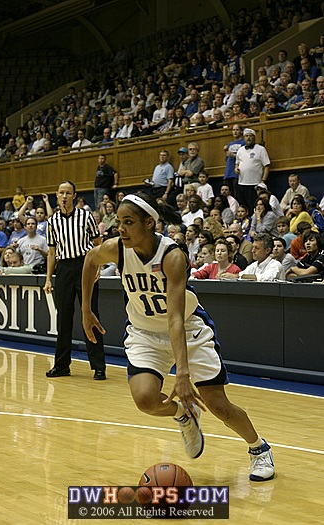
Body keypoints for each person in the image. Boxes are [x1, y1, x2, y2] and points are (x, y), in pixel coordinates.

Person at [81, 192, 275, 482]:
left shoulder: (172, 256)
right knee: (145, 399)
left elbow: (174, 318)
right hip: (145, 332)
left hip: (186, 329)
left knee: (218, 405)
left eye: (128, 222)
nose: (120, 229)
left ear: (149, 223)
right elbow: (89, 260)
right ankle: (183, 415)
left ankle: (259, 449)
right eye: (119, 222)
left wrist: (182, 374)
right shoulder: (117, 248)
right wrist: (85, 308)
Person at [44, 180, 106, 380]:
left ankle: (99, 366)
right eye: (61, 192)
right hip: (63, 270)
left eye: (68, 193)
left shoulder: (86, 216)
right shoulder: (52, 222)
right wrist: (48, 279)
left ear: (74, 196)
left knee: (90, 314)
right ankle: (62, 365)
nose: (64, 196)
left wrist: (99, 266)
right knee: (63, 318)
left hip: (85, 266)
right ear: (57, 195)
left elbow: (98, 244)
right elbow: (52, 254)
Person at [235, 129, 271, 214]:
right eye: (246, 136)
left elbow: (267, 165)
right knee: (243, 207)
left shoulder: (260, 149)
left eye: (250, 136)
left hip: (255, 184)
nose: (248, 138)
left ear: (254, 138)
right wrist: (236, 168)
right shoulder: (240, 150)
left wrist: (263, 181)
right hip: (242, 183)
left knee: (254, 207)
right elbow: (237, 164)